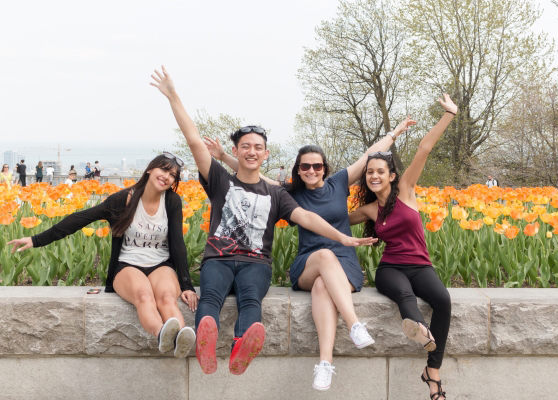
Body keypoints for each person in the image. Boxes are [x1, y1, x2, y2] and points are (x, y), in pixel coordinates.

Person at [150, 65, 376, 376]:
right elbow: (193, 142)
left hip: (256, 263)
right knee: (212, 295)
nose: (252, 151)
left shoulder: (277, 194)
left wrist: (342, 238)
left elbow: (307, 217)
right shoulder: (219, 179)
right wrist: (174, 96)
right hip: (219, 256)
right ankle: (206, 338)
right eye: (246, 147)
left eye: (258, 147)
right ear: (235, 151)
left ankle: (243, 343)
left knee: (251, 297)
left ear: (265, 154)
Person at [205, 118, 417, 391]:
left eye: (317, 166)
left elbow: (368, 156)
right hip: (308, 262)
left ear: (324, 168)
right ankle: (354, 324)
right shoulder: (290, 194)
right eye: (305, 166)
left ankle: (325, 364)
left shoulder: (339, 183)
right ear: (298, 170)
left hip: (344, 266)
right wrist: (223, 156)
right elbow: (252, 173)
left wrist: (395, 132)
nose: (311, 170)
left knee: (322, 284)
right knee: (324, 257)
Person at [8, 153, 199, 358]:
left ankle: (181, 340)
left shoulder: (171, 201)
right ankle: (162, 334)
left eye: (172, 174)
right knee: (144, 296)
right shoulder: (122, 199)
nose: (166, 176)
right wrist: (36, 240)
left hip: (160, 264)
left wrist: (187, 285)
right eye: (163, 170)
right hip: (128, 265)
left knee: (168, 297)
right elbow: (80, 218)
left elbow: (178, 242)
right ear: (150, 169)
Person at [349, 94, 457, 400]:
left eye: (380, 171)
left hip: (420, 265)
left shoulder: (407, 190)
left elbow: (424, 148)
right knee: (405, 295)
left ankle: (432, 371)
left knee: (443, 300)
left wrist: (449, 114)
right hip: (390, 268)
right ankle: (420, 329)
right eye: (369, 172)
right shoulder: (370, 210)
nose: (373, 176)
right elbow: (336, 222)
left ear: (391, 175)